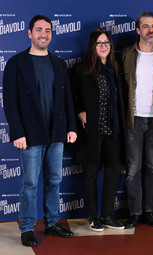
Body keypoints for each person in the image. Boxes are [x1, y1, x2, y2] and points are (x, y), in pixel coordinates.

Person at [2, 15, 77, 247]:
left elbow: (67, 99)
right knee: (30, 184)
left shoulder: (58, 63)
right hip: (30, 135)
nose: (44, 34)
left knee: (54, 181)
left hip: (56, 133)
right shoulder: (16, 63)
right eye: (39, 30)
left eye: (48, 30)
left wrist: (71, 127)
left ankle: (53, 222)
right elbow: (10, 102)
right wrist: (17, 132)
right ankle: (27, 227)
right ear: (29, 33)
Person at [70, 29, 125, 232]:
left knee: (113, 171)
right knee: (91, 174)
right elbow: (71, 95)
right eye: (99, 43)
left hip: (111, 129)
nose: (103, 46)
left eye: (107, 43)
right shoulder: (81, 69)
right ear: (92, 47)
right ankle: (93, 216)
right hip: (91, 131)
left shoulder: (114, 69)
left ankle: (108, 214)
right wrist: (80, 112)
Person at [119, 11, 153, 228]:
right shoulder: (126, 54)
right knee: (133, 169)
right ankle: (135, 212)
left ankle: (149, 211)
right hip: (134, 119)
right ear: (138, 30)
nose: (151, 30)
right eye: (146, 26)